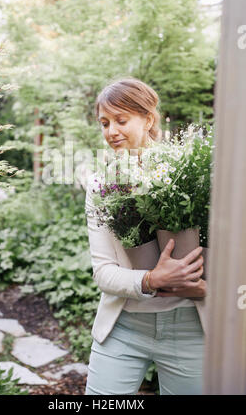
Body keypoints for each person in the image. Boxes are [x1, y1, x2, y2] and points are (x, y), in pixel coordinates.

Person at [84, 77, 206, 395]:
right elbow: (104, 272)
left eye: (121, 120)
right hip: (123, 327)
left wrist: (205, 287)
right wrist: (151, 279)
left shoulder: (190, 174)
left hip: (190, 328)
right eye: (105, 122)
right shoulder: (101, 186)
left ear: (148, 119)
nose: (111, 131)